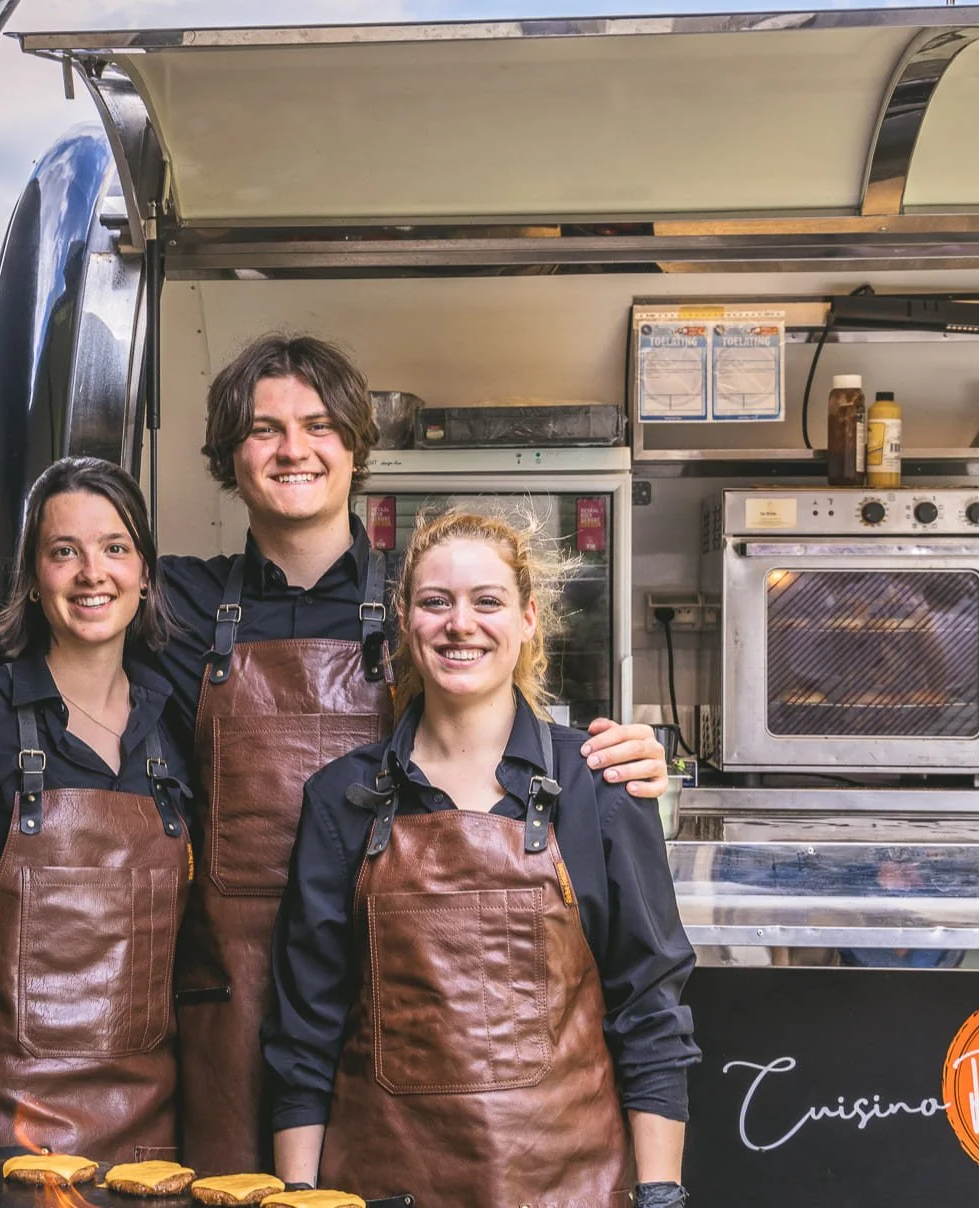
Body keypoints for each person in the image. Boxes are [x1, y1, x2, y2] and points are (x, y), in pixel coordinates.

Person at [155, 333, 670, 1173]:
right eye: (264, 429)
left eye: (320, 425)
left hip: (401, 1022)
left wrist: (628, 752)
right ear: (228, 454)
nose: (294, 449)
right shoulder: (173, 606)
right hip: (231, 1008)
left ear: (356, 445)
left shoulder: (423, 608)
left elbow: (513, 724)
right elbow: (54, 628)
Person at [263, 510, 697, 1208]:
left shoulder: (598, 788)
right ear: (407, 620)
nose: (460, 623)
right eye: (436, 602)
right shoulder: (341, 800)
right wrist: (297, 1195)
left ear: (527, 619)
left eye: (486, 601)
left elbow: (648, 1013)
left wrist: (659, 1195)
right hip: (381, 1188)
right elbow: (302, 1032)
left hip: (569, 1191)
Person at [0, 457, 191, 1163]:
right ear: (33, 578)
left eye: (114, 548)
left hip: (153, 1154)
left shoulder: (175, 731)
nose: (92, 573)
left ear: (144, 573)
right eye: (63, 552)